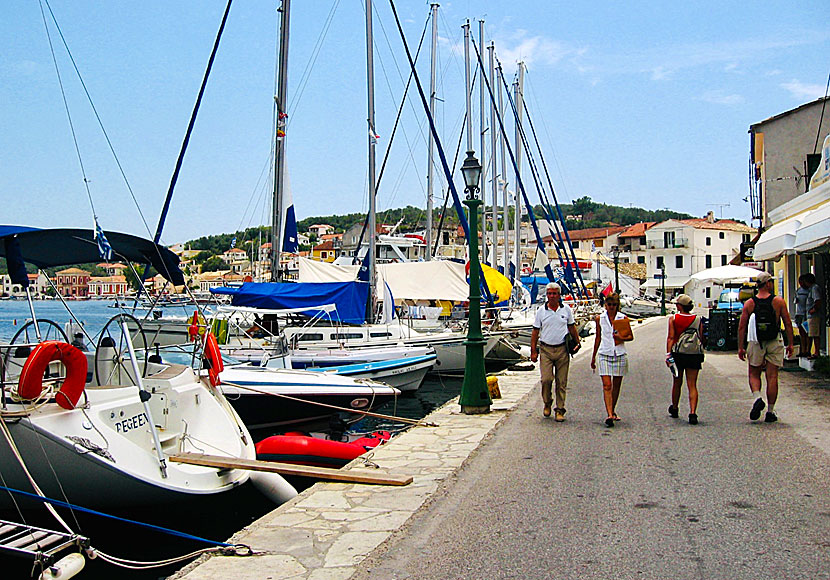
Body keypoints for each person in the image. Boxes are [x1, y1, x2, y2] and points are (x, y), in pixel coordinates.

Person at [737, 271, 794, 423]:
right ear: (768, 284)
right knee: (772, 376)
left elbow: (742, 327)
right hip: (774, 340)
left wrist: (741, 347)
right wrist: (790, 344)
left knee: (754, 373)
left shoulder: (750, 303)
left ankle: (757, 398)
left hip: (756, 341)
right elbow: (787, 323)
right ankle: (770, 410)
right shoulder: (779, 302)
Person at [530, 282, 581, 421]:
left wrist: (577, 341)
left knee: (561, 381)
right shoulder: (541, 311)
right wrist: (533, 351)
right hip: (546, 349)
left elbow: (571, 327)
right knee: (546, 380)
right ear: (547, 295)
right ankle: (547, 402)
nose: (552, 296)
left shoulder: (566, 310)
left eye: (554, 293)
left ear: (559, 295)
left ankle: (560, 409)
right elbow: (535, 332)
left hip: (562, 349)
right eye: (550, 294)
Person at [590, 292, 629, 428]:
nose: (611, 307)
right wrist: (593, 356)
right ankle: (609, 414)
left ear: (617, 306)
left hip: (619, 353)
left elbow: (629, 336)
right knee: (607, 385)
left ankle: (612, 409)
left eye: (614, 305)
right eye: (609, 304)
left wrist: (620, 336)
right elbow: (598, 337)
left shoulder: (622, 318)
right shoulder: (599, 319)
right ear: (605, 305)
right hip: (604, 353)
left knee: (616, 385)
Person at [665, 294, 705, 424]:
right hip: (694, 354)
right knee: (692, 384)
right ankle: (693, 412)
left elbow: (671, 337)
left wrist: (668, 354)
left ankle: (675, 407)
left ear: (679, 306)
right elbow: (701, 337)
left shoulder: (673, 319)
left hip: (678, 353)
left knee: (677, 382)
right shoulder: (698, 319)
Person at [803, 273, 823, 359]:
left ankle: (816, 352)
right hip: (810, 316)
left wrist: (813, 310)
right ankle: (811, 351)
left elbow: (818, 300)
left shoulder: (815, 288)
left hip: (814, 315)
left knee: (815, 334)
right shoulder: (811, 289)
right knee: (811, 334)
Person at [793, 274, 810, 358]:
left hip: (806, 314)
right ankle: (803, 350)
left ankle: (807, 350)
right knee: (801, 333)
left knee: (807, 333)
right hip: (799, 313)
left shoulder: (809, 291)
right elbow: (795, 301)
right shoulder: (798, 291)